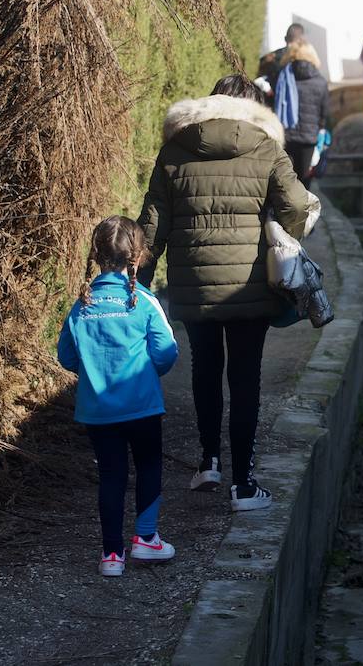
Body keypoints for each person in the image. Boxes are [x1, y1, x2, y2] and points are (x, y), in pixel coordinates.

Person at [137, 74, 311, 512]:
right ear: (254, 108)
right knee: (246, 376)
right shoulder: (267, 147)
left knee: (205, 367)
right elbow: (295, 205)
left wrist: (136, 280)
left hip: (193, 282)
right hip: (248, 285)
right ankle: (244, 485)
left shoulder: (175, 148)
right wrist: (281, 235)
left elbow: (153, 222)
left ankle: (209, 461)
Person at [57, 216, 179, 577]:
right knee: (149, 467)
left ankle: (112, 555)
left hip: (97, 411)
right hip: (142, 405)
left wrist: (95, 370)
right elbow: (167, 351)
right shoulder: (143, 301)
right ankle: (146, 539)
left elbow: (66, 357)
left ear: (96, 256)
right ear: (138, 257)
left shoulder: (81, 306)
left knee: (111, 476)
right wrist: (146, 373)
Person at [276, 40, 331, 180]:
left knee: (284, 179)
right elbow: (324, 114)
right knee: (304, 180)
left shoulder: (282, 76)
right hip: (309, 138)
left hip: (285, 135)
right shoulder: (320, 82)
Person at [256, 23, 304, 103]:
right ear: (300, 40)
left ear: (285, 38)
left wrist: (266, 87)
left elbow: (257, 75)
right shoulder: (304, 59)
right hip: (295, 102)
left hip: (273, 101)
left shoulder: (272, 56)